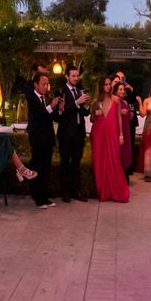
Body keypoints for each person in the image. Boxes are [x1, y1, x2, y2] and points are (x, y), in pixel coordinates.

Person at [90, 77, 129, 202]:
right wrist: (95, 114)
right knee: (100, 162)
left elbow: (119, 118)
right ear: (101, 86)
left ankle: (118, 192)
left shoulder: (116, 100)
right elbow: (91, 119)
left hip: (112, 133)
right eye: (105, 84)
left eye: (108, 84)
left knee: (114, 161)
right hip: (99, 134)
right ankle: (104, 192)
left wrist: (121, 135)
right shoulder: (96, 101)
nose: (107, 86)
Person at [56, 66, 90, 202]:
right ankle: (65, 192)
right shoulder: (61, 91)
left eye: (77, 76)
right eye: (73, 76)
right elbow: (61, 113)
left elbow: (85, 113)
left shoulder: (79, 90)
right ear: (66, 76)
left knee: (76, 163)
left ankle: (76, 191)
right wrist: (77, 103)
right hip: (66, 133)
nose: (76, 78)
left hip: (79, 132)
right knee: (65, 163)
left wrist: (86, 105)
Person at [26, 73, 59, 209]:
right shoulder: (32, 98)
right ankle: (38, 197)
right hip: (37, 138)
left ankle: (44, 196)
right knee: (38, 166)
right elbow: (40, 115)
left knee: (46, 168)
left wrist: (59, 108)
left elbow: (52, 116)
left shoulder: (46, 97)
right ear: (36, 85)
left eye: (47, 84)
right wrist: (51, 106)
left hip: (48, 137)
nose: (46, 87)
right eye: (43, 84)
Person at [114, 82, 133, 182]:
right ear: (116, 91)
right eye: (120, 89)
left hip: (126, 129)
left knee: (126, 152)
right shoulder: (115, 101)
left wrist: (129, 115)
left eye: (123, 89)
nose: (122, 91)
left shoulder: (125, 102)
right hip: (118, 129)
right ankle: (119, 177)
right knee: (119, 152)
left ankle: (125, 175)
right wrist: (119, 113)